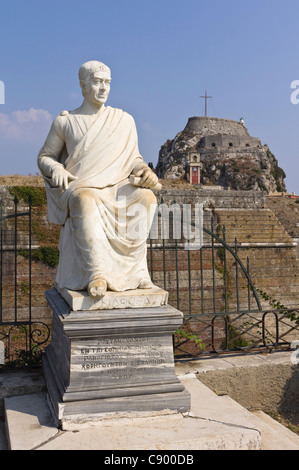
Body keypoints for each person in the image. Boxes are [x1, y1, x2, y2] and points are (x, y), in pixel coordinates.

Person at [38, 60, 159, 298]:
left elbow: (133, 159)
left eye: (108, 83)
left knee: (146, 197)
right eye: (97, 82)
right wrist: (56, 169)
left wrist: (145, 171)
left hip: (116, 186)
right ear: (83, 86)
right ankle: (96, 273)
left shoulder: (124, 121)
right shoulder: (66, 121)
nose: (104, 88)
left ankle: (135, 272)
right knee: (85, 199)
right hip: (83, 186)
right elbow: (45, 156)